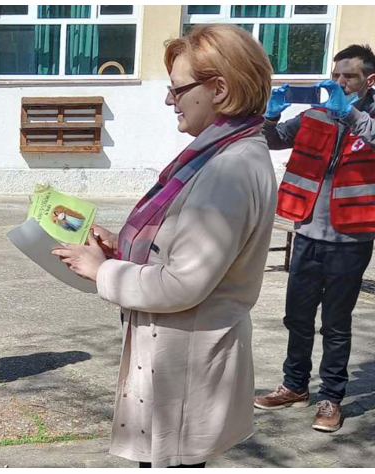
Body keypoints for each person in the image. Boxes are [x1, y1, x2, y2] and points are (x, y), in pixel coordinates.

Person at [51, 25, 277, 467]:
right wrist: (126, 245)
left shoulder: (228, 168)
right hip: (179, 358)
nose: (169, 100)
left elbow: (181, 284)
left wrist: (102, 270)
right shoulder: (219, 153)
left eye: (177, 89)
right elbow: (188, 249)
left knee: (174, 462)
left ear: (219, 89)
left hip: (187, 367)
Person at [254, 44, 375, 433]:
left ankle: (331, 398)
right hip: (307, 231)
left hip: (351, 239)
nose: (339, 82)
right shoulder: (315, 114)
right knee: (298, 317)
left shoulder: (366, 118)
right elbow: (270, 140)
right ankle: (294, 385)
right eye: (336, 75)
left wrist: (350, 113)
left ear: (368, 81)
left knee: (336, 324)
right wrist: (270, 117)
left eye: (349, 77)